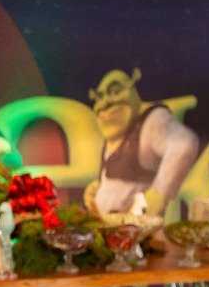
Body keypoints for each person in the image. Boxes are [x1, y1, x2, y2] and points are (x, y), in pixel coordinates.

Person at [83, 68, 199, 217]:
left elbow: (184, 144)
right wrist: (97, 190)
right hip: (104, 226)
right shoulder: (113, 136)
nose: (103, 104)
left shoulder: (152, 121)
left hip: (137, 229)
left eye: (114, 92)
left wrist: (159, 194)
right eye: (98, 97)